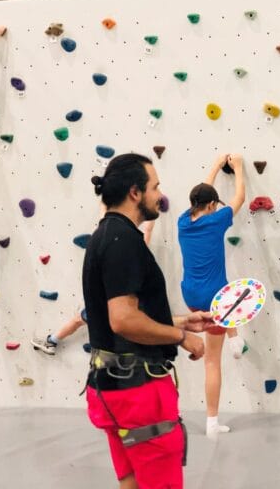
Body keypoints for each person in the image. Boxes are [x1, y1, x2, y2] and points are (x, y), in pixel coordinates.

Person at [83, 152, 213, 489]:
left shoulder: (105, 235)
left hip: (110, 388)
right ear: (135, 193)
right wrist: (179, 338)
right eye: (155, 186)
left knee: (132, 482)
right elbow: (124, 320)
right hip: (138, 395)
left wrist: (182, 321)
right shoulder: (124, 241)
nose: (160, 194)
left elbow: (125, 313)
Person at [177, 153, 246, 440]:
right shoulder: (217, 221)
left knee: (229, 290)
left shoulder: (183, 221)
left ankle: (234, 335)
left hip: (190, 293)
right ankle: (212, 421)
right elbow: (239, 197)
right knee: (212, 362)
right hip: (214, 297)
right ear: (211, 206)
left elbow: (203, 193)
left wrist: (216, 166)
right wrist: (239, 168)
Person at [31, 221, 154, 355]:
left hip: (107, 309)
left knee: (77, 321)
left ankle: (51, 342)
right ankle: (53, 341)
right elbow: (147, 232)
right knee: (80, 322)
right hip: (124, 312)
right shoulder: (137, 265)